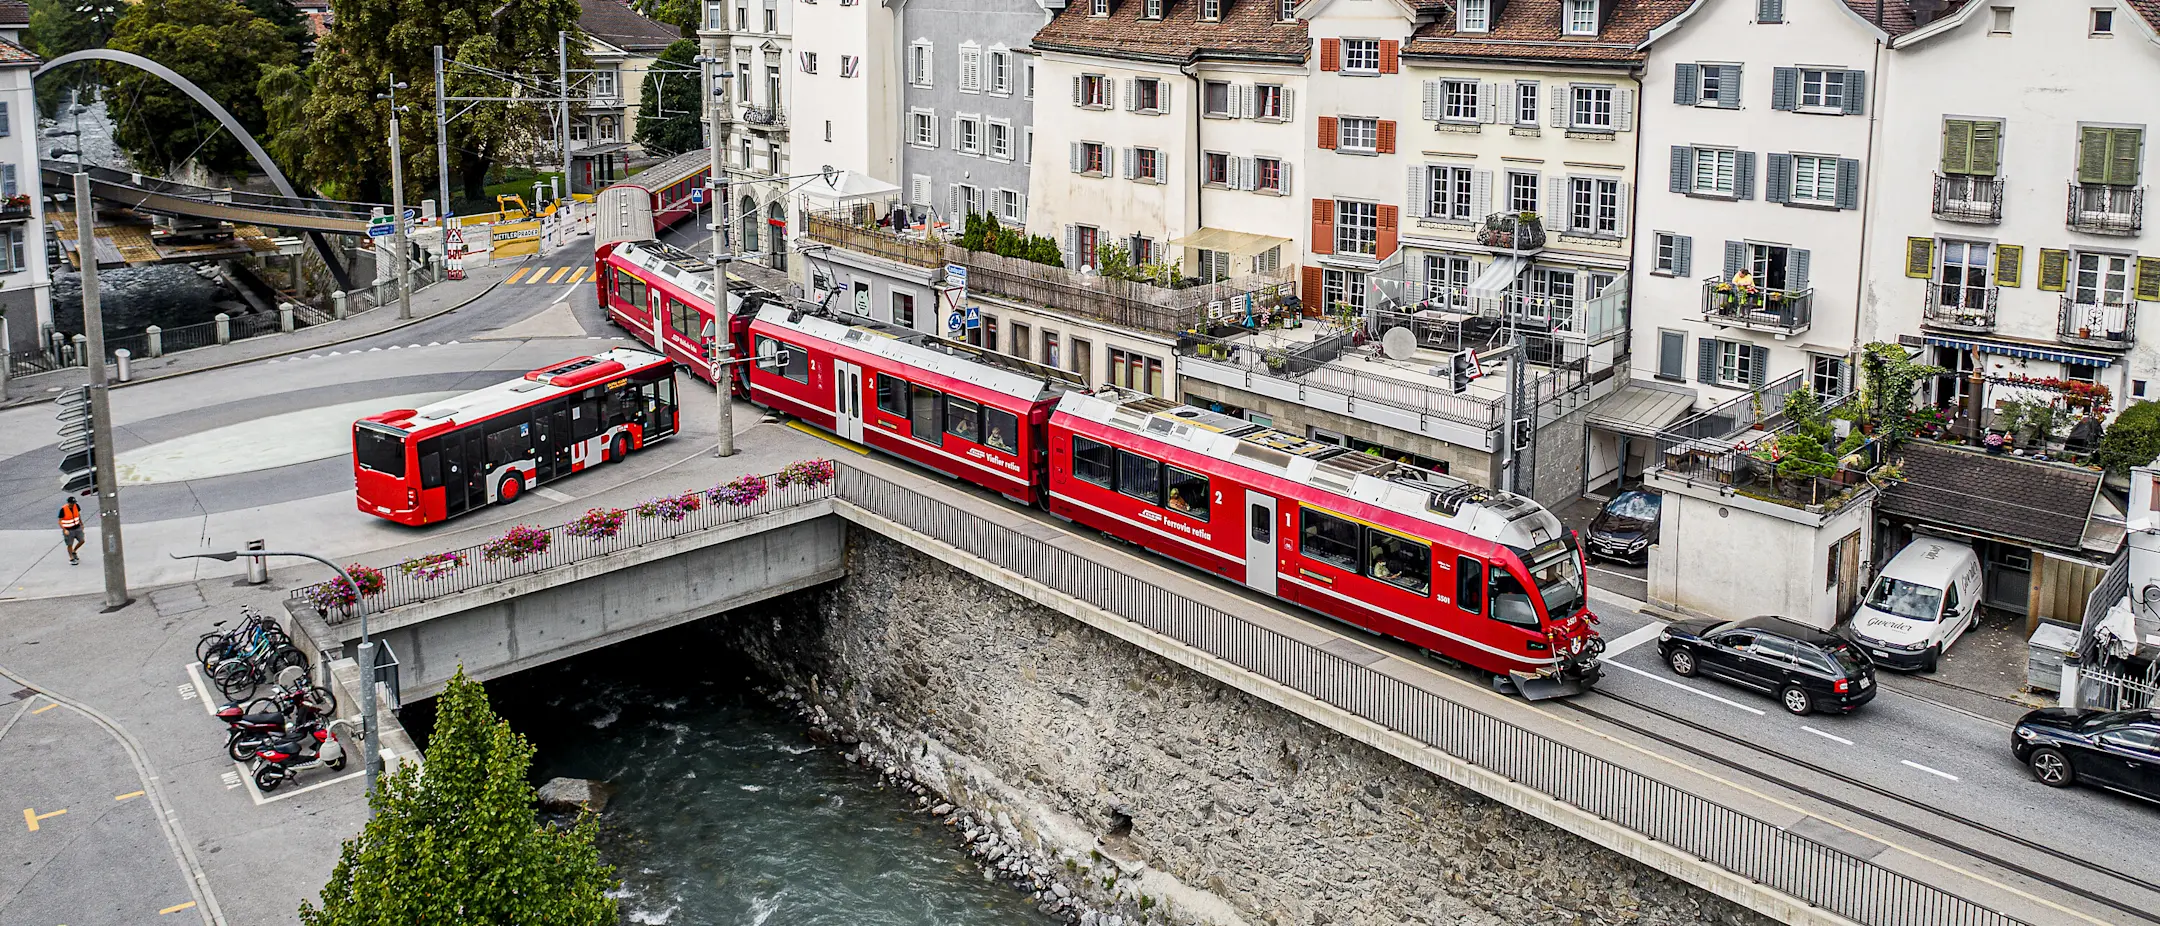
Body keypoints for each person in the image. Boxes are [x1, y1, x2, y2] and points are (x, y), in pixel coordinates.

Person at [58, 497, 84, 565]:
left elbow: (78, 515)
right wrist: (64, 530)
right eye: (72, 503)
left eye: (74, 503)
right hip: (68, 529)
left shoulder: (76, 506)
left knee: (82, 540)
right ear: (68, 503)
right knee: (69, 544)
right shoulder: (63, 509)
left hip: (77, 527)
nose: (73, 504)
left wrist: (81, 524)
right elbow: (60, 521)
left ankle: (74, 551)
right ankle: (71, 558)